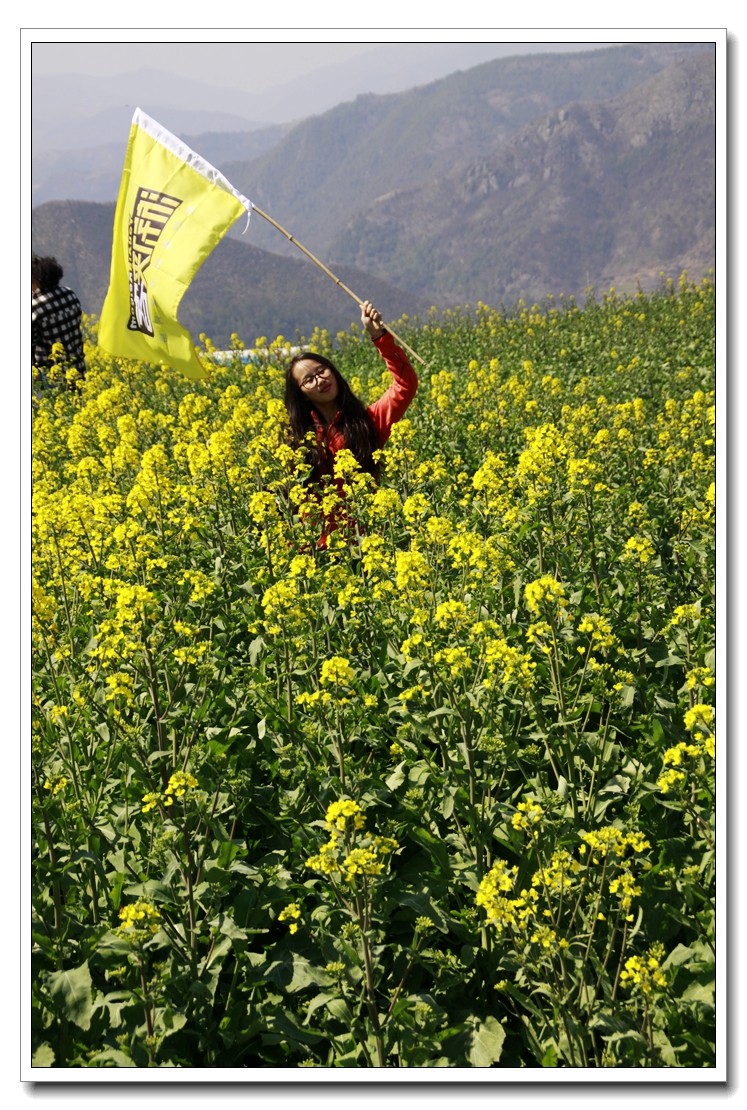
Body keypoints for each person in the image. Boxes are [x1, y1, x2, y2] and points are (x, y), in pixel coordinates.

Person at [284, 300, 418, 543]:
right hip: (317, 551)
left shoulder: (368, 422)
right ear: (301, 395)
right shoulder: (297, 441)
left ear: (333, 371)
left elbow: (405, 385)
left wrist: (379, 336)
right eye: (308, 380)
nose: (319, 380)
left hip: (365, 545)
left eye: (321, 371)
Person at [31, 255, 86, 387]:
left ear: (36, 280)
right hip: (78, 369)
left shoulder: (35, 307)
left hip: (51, 377)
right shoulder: (69, 294)